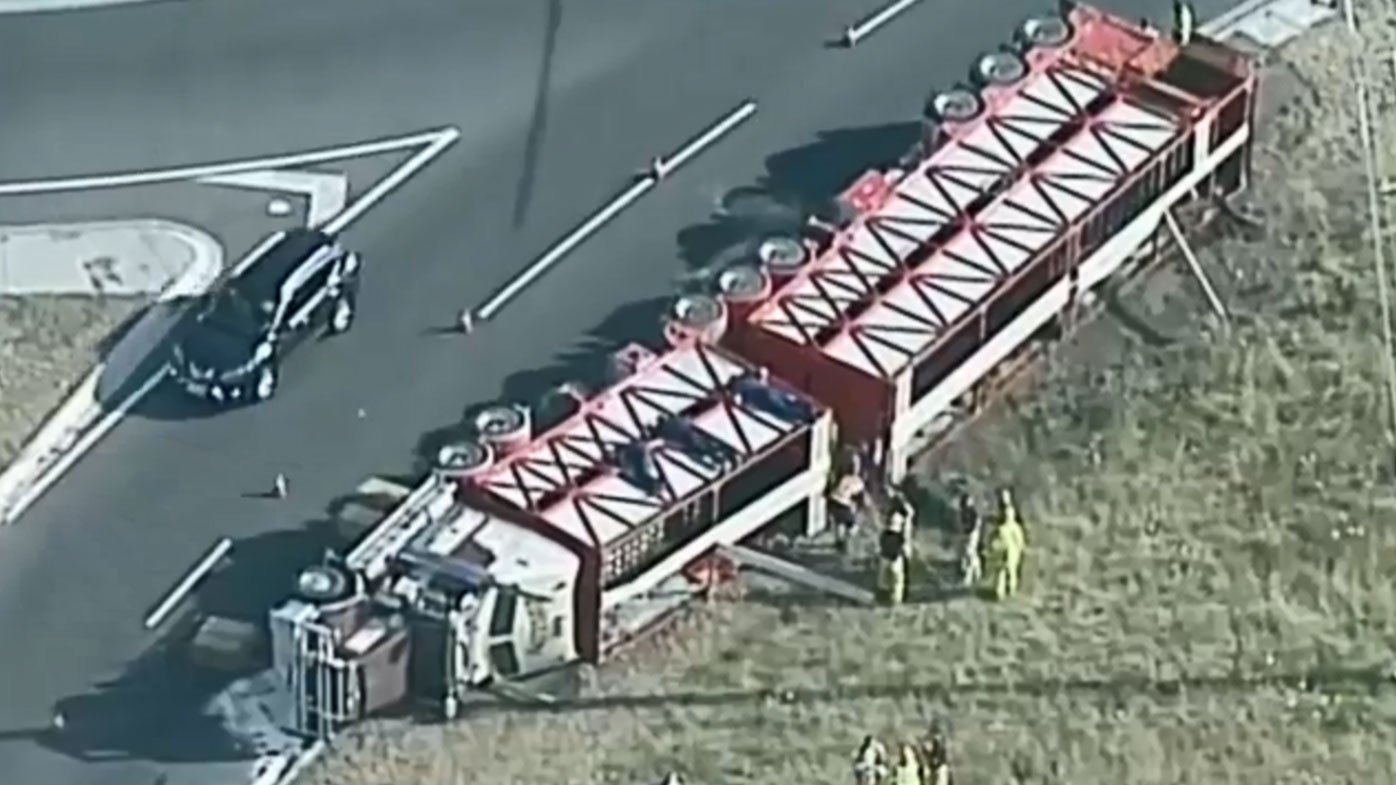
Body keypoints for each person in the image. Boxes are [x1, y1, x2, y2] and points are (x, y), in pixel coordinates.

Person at [987, 488, 1027, 600]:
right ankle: (1000, 591)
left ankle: (1010, 587)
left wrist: (1020, 544)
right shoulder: (1001, 521)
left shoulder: (1010, 515)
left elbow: (1016, 529)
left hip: (1010, 543)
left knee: (1010, 568)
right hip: (1004, 542)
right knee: (1001, 569)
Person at [828, 452, 868, 553]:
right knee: (852, 526)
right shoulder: (857, 481)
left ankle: (840, 543)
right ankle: (844, 543)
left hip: (833, 501)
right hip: (842, 503)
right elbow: (859, 498)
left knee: (840, 522)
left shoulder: (844, 477)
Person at [877, 512, 912, 605]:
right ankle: (895, 600)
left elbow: (881, 543)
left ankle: (885, 597)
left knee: (885, 580)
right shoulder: (900, 534)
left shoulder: (885, 533)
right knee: (896, 581)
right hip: (894, 558)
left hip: (887, 558)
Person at [956, 493, 985, 589]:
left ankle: (969, 576)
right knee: (969, 554)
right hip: (966, 534)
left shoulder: (973, 512)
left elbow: (977, 523)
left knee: (969, 553)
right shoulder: (963, 511)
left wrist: (973, 531)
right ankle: (977, 571)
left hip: (972, 534)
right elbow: (961, 522)